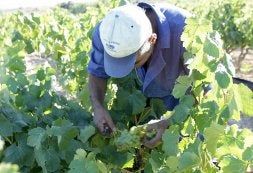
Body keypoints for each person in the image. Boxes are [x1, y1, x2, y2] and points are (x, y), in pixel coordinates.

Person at [87, 2, 191, 148]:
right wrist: (98, 107)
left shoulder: (185, 31)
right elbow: (97, 72)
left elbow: (207, 90)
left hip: (188, 106)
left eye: (134, 63)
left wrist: (172, 121)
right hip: (150, 108)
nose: (128, 71)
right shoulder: (107, 32)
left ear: (152, 39)